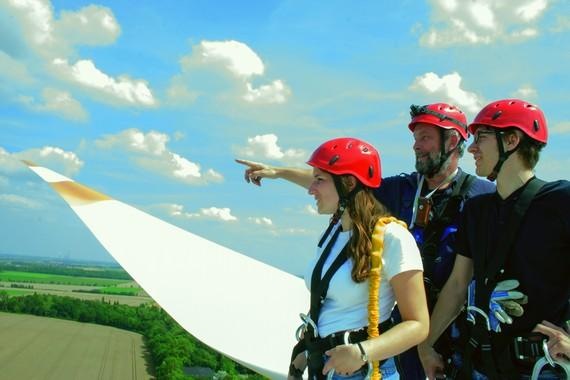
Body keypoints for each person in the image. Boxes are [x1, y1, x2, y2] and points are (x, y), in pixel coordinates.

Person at [237, 103, 495, 378]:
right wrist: (278, 172)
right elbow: (343, 184)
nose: (416, 146)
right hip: (395, 330)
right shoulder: (402, 190)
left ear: (452, 141)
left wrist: (426, 345)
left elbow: (460, 282)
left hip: (452, 331)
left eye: (425, 138)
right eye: (415, 139)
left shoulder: (482, 198)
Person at [418, 99, 570, 379]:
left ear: (511, 140)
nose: (472, 148)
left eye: (482, 138)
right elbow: (457, 285)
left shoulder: (560, 201)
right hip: (477, 365)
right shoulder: (477, 209)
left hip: (538, 369)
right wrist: (425, 347)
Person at [286, 137, 428, 379]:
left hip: (364, 371)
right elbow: (327, 303)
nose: (311, 189)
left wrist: (362, 351)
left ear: (349, 183)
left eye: (319, 180)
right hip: (325, 367)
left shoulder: (392, 237)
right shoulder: (334, 231)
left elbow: (418, 324)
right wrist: (302, 356)